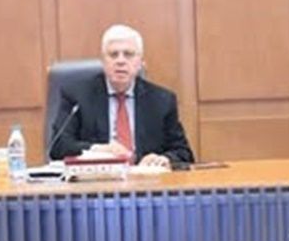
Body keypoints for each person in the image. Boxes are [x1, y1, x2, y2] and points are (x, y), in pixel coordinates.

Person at [49, 24, 194, 168]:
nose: (120, 61)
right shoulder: (77, 96)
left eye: (128, 54)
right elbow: (58, 146)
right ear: (103, 62)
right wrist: (98, 149)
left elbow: (184, 153)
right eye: (113, 55)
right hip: (97, 179)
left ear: (140, 63)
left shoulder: (162, 101)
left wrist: (164, 159)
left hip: (145, 179)